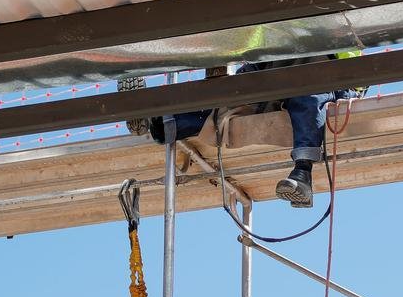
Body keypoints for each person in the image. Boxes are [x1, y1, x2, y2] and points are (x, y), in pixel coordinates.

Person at [132, 52, 363, 208]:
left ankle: (303, 173)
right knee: (226, 103)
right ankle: (158, 120)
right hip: (277, 64)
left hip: (329, 71)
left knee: (309, 93)